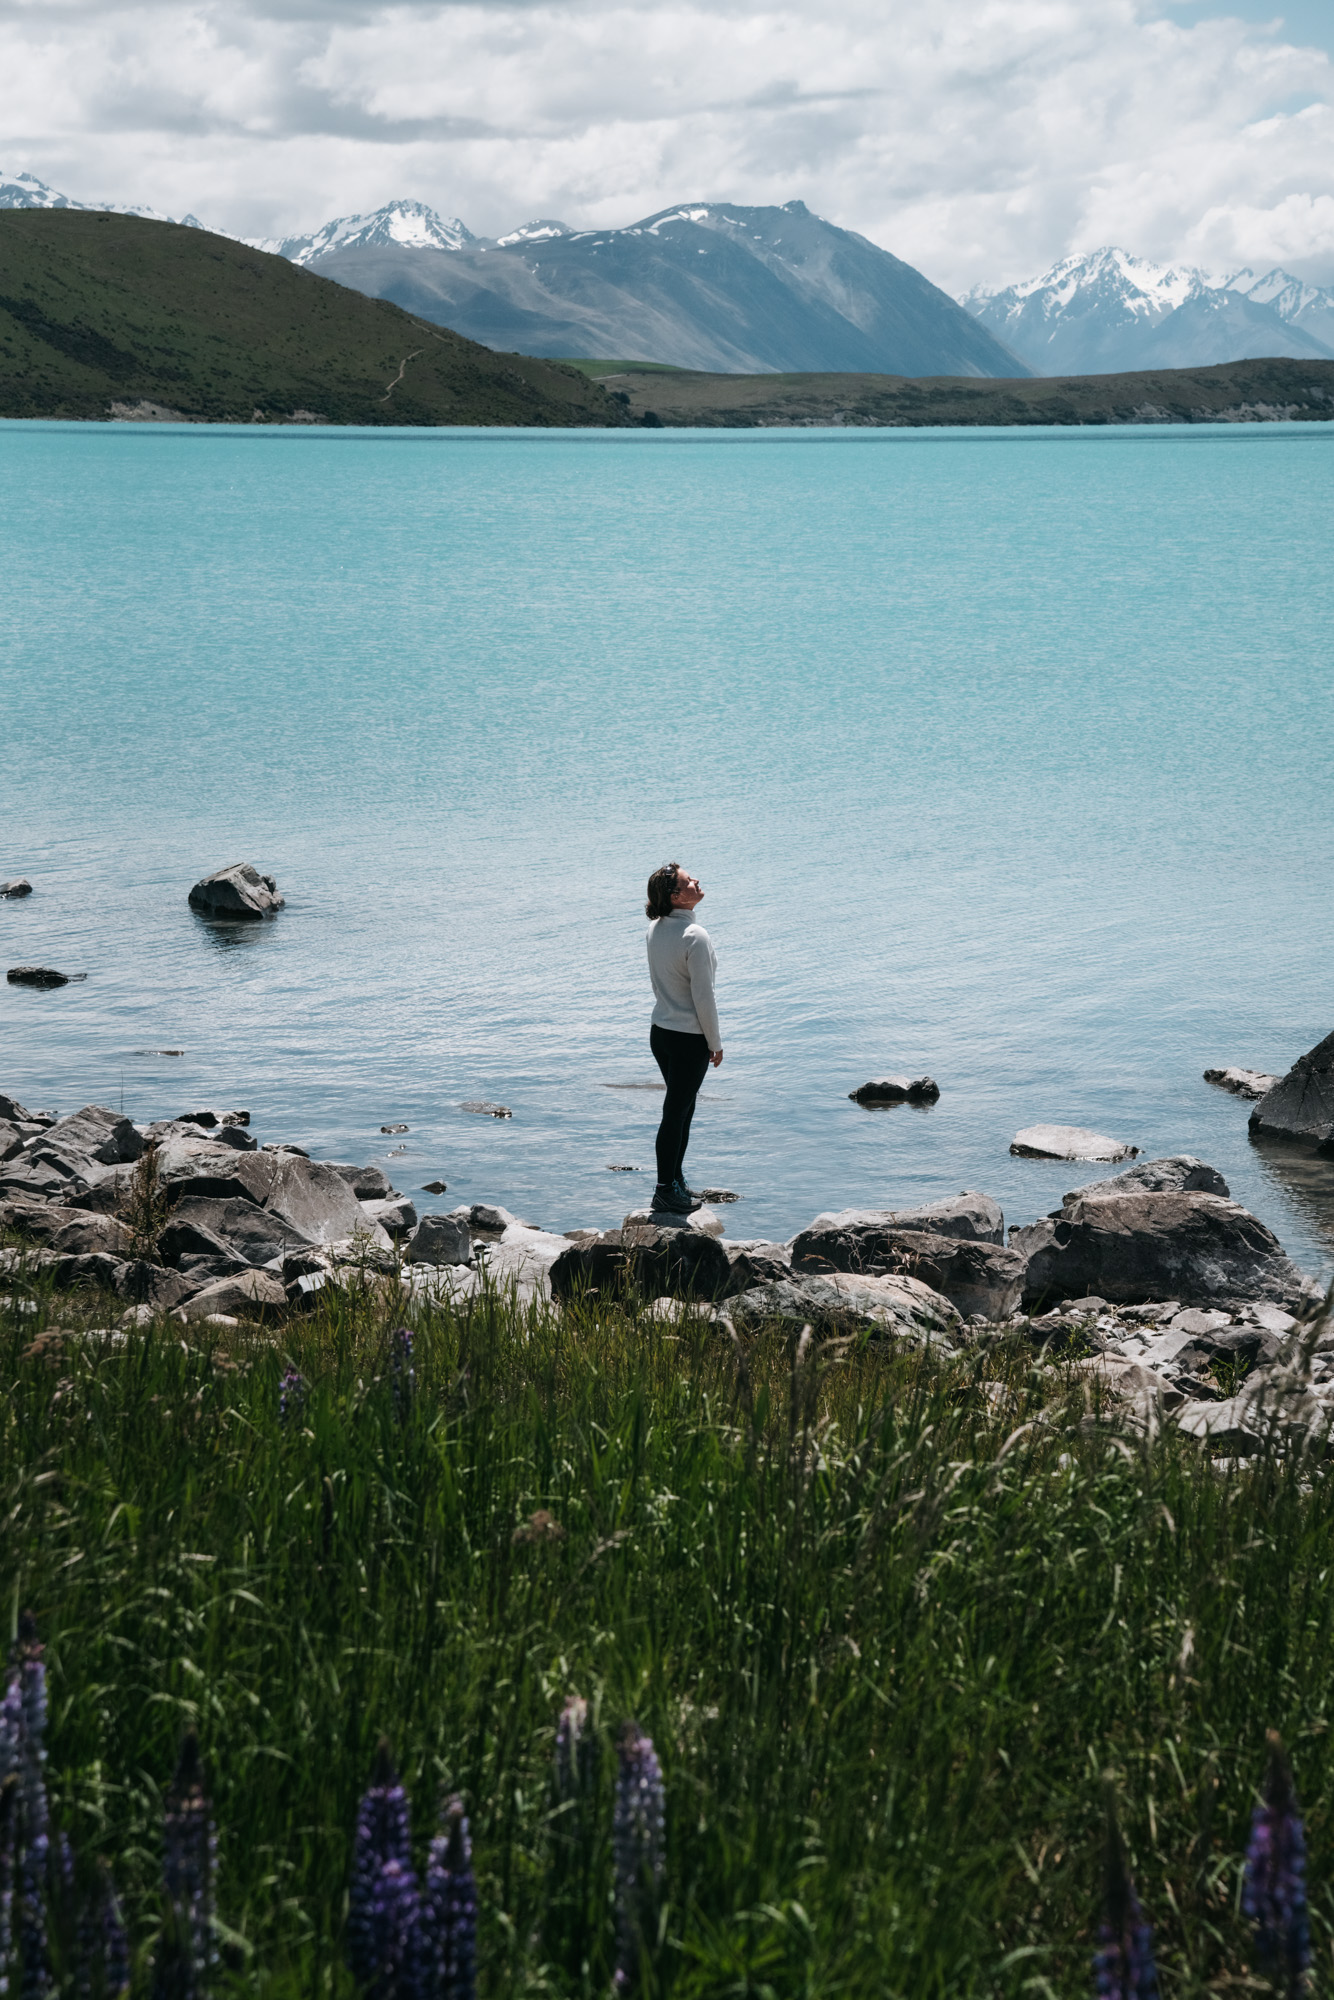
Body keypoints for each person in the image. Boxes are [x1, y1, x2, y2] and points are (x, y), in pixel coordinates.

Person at [644, 861, 723, 1216]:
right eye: (688, 880)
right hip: (688, 1038)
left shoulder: (655, 929)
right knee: (676, 1113)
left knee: (682, 1110)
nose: (696, 880)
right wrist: (715, 1042)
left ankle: (674, 1182)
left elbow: (660, 983)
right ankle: (664, 1189)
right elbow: (704, 997)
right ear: (676, 896)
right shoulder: (695, 936)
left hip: (661, 1033)